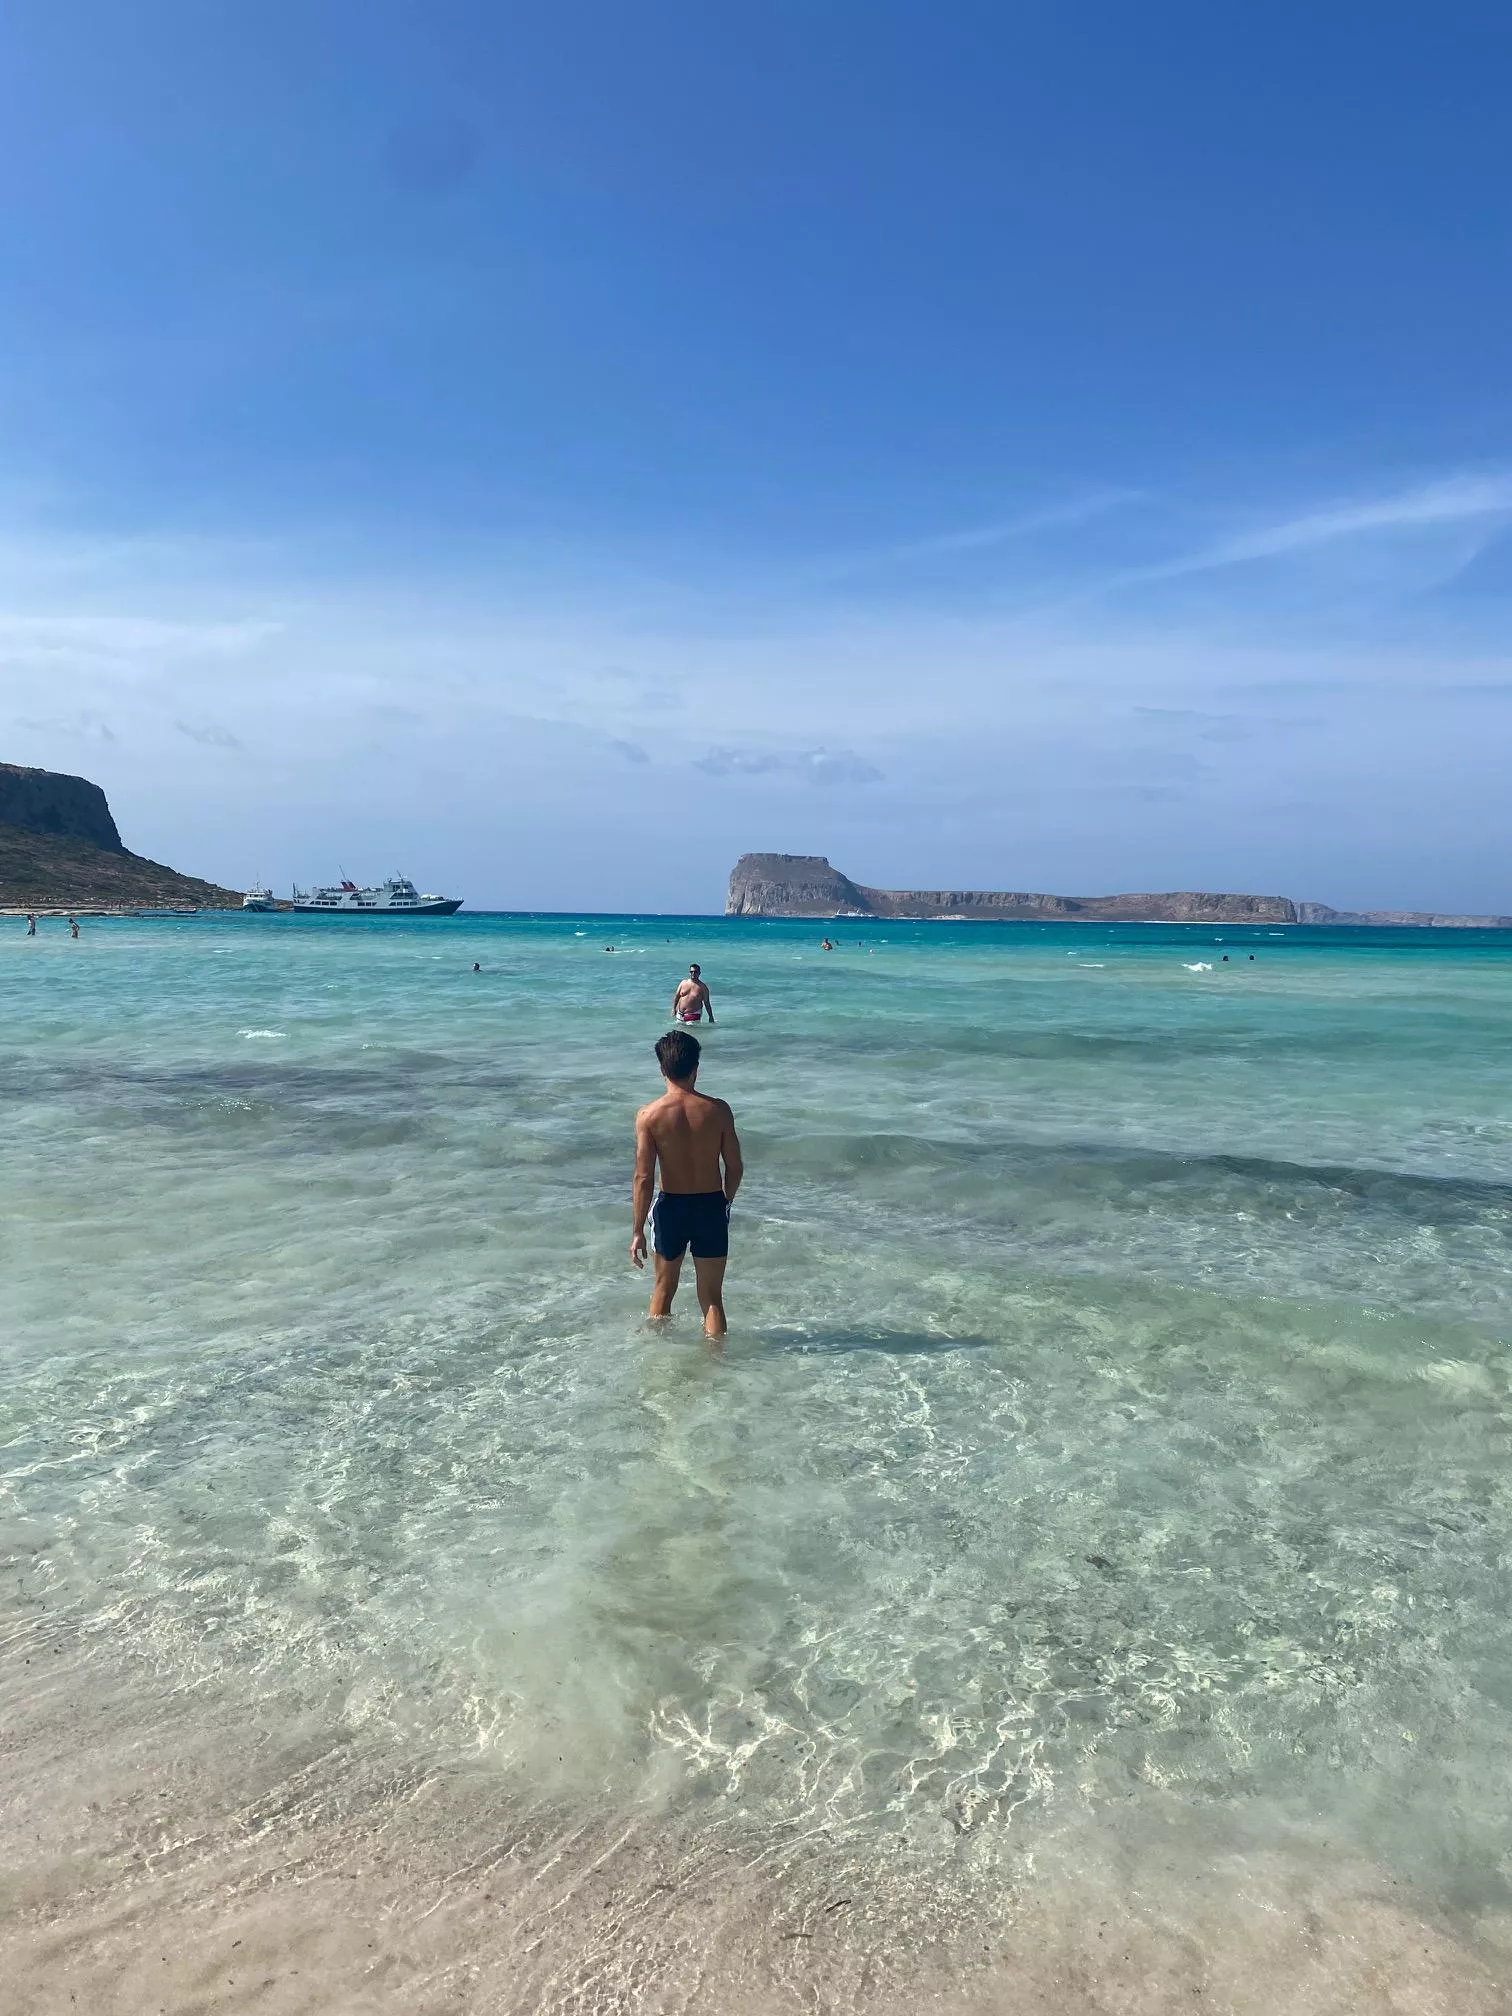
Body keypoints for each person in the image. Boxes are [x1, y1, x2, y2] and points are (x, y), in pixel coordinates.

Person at [631, 1029, 742, 1340]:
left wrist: (638, 1230)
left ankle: (655, 1362)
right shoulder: (718, 1110)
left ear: (662, 1069)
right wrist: (726, 1203)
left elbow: (643, 1177)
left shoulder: (649, 1115)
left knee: (664, 1290)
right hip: (710, 1206)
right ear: (696, 1068)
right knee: (711, 1298)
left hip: (671, 1209)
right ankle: (717, 1365)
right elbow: (734, 1167)